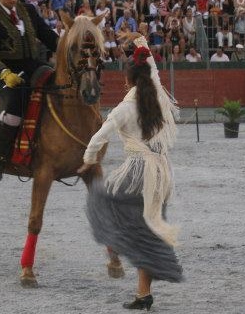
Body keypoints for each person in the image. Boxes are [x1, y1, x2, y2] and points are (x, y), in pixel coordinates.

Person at [78, 35, 182, 310]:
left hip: (138, 171)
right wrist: (140, 42)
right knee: (147, 232)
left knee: (103, 204)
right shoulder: (157, 93)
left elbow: (99, 137)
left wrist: (88, 161)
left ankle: (114, 246)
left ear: (128, 81)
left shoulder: (124, 109)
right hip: (161, 173)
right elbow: (153, 69)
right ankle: (143, 294)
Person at [0, 0, 59, 180]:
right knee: (16, 99)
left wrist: (68, 48)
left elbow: (48, 36)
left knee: (55, 82)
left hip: (32, 64)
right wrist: (3, 73)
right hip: (6, 69)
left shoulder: (28, 11)